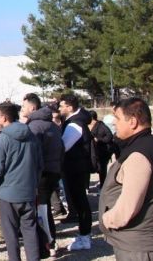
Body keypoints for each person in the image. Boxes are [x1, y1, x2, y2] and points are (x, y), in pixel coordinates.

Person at [99, 97, 153, 261]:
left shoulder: (139, 154)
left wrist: (107, 219)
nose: (114, 124)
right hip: (141, 241)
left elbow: (129, 206)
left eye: (117, 119)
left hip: (138, 246)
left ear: (132, 122)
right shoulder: (151, 144)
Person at [0, 102, 43, 261]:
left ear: (4, 118)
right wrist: (34, 184)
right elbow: (40, 164)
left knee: (10, 234)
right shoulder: (32, 136)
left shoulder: (1, 140)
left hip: (8, 195)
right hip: (29, 192)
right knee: (30, 231)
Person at [22, 93, 64, 255]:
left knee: (42, 210)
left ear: (32, 107)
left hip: (43, 173)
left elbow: (32, 153)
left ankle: (49, 243)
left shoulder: (34, 126)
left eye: (24, 106)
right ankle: (49, 240)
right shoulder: (51, 124)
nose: (22, 108)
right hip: (53, 170)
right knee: (44, 209)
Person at [58, 94, 93, 251]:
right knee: (79, 202)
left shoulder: (75, 124)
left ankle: (85, 237)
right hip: (75, 167)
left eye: (62, 106)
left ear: (70, 107)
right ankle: (84, 233)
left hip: (76, 168)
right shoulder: (73, 121)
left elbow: (64, 146)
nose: (59, 108)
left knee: (81, 203)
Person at [89, 110, 114, 190]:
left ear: (92, 118)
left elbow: (109, 136)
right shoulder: (88, 125)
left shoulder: (101, 126)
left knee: (102, 170)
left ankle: (103, 187)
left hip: (102, 151)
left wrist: (99, 139)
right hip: (94, 152)